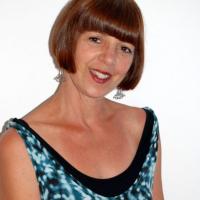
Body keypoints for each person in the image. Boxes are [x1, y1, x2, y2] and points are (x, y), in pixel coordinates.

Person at [0, 0, 164, 199]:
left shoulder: (142, 127)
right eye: (96, 39)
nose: (109, 59)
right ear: (68, 39)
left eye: (125, 48)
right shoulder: (20, 147)